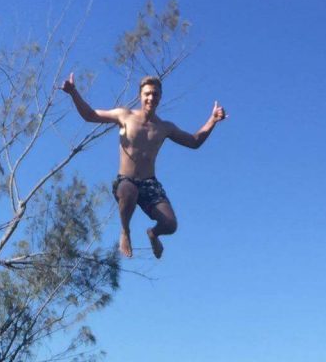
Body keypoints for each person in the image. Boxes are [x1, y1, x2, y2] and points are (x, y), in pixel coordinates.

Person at [61, 73, 226, 259]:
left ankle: (153, 234)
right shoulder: (124, 115)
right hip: (126, 180)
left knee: (170, 225)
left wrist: (212, 120)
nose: (151, 98)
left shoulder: (165, 127)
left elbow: (194, 142)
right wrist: (73, 92)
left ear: (160, 97)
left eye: (155, 94)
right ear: (140, 95)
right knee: (128, 191)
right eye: (147, 93)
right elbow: (90, 115)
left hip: (149, 182)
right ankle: (125, 231)